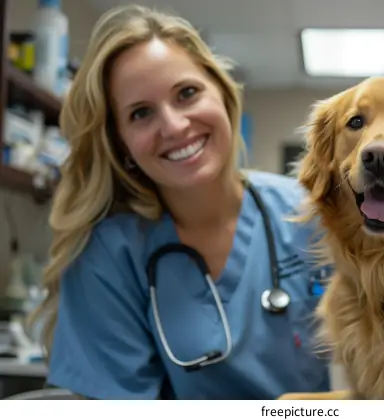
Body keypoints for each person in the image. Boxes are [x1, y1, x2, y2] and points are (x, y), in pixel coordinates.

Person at [29, 4, 332, 399]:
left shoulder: (314, 213)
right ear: (121, 143)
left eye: (186, 93)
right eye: (141, 113)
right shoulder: (109, 256)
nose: (173, 126)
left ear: (222, 94)